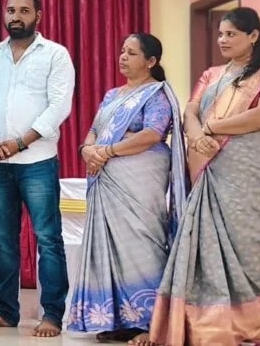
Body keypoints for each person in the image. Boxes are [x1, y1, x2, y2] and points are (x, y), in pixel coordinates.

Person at [141, 7, 260, 346]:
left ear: (253, 36)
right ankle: (212, 319)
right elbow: (191, 110)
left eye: (231, 34)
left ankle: (259, 318)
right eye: (221, 34)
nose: (223, 40)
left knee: (252, 240)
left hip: (251, 171)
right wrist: (197, 134)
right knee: (207, 243)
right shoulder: (212, 74)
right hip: (209, 166)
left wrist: (211, 128)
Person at [0, 0, 74, 338]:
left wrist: (19, 143)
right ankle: (5, 310)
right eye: (11, 10)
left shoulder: (55, 55)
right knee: (2, 240)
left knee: (48, 239)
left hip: (38, 161)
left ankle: (52, 315)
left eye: (24, 11)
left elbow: (59, 107)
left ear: (37, 16)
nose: (16, 16)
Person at [66, 33, 186, 344]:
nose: (123, 57)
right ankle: (118, 318)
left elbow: (151, 135)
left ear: (150, 61)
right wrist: (87, 150)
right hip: (106, 180)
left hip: (139, 182)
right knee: (111, 248)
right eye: (122, 51)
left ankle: (149, 323)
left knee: (143, 245)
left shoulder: (157, 94)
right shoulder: (112, 95)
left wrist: (106, 152)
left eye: (132, 53)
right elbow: (94, 130)